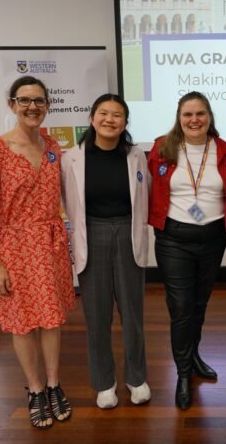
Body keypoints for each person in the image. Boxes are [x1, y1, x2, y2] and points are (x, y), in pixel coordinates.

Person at [0, 75, 75, 429]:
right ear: (12, 105)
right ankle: (34, 390)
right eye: (24, 100)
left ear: (48, 105)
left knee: (51, 319)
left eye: (39, 101)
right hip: (13, 246)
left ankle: (53, 384)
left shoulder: (52, 146)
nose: (32, 107)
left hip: (50, 244)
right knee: (22, 322)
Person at [61, 94, 151, 410]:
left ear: (125, 123)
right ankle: (104, 383)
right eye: (103, 113)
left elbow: (147, 195)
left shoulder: (136, 155)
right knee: (97, 315)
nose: (109, 119)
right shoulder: (71, 158)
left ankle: (137, 378)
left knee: (132, 313)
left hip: (128, 232)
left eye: (117, 115)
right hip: (92, 232)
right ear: (92, 118)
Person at [147, 91, 226, 410]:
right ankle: (183, 374)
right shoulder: (162, 147)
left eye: (200, 113)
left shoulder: (225, 151)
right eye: (188, 114)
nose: (194, 120)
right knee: (181, 307)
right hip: (173, 239)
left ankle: (193, 356)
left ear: (209, 116)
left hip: (212, 238)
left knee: (199, 303)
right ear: (179, 117)